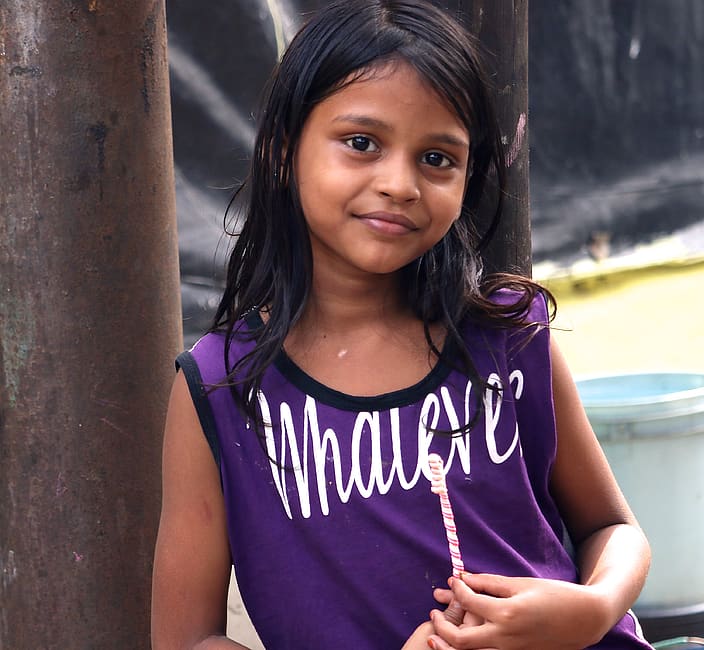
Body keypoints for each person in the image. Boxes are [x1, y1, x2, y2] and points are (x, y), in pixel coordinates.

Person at [151, 1, 653, 648]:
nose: (400, 184)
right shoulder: (220, 389)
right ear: (282, 151)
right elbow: (186, 639)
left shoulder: (510, 338)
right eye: (361, 144)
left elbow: (614, 530)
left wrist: (588, 610)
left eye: (437, 159)